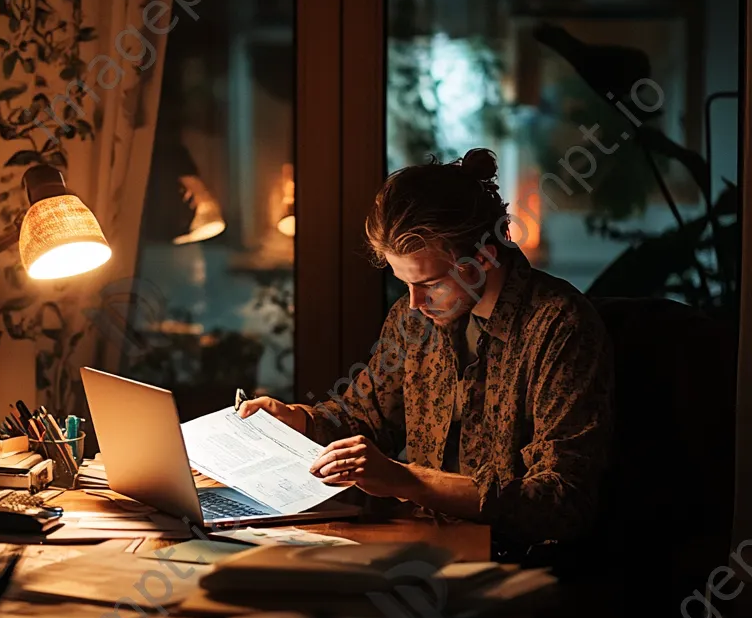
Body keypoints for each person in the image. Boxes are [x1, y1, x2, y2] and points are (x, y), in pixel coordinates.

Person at [239, 148, 614, 547]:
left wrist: (407, 480)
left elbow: (562, 500)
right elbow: (365, 417)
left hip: (509, 559)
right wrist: (297, 421)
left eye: (431, 283)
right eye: (405, 283)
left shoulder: (559, 327)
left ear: (484, 256)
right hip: (414, 539)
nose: (415, 302)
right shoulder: (414, 319)